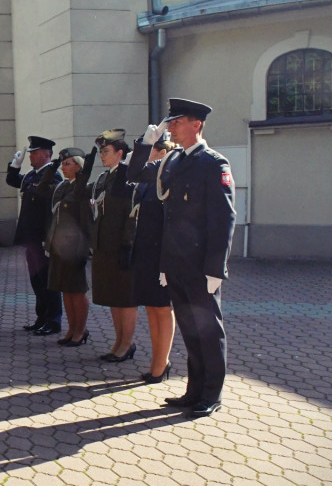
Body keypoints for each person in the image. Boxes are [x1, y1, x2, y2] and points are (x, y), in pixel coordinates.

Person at [128, 98, 236, 418]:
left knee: (208, 331)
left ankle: (211, 394)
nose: (171, 126)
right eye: (170, 121)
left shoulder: (214, 163)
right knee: (190, 328)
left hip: (201, 266)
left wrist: (216, 268)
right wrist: (145, 143)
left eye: (177, 121)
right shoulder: (172, 161)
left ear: (196, 125)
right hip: (175, 262)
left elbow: (223, 220)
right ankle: (193, 391)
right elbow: (134, 174)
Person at [130, 137, 180, 384]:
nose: (146, 158)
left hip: (162, 253)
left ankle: (162, 362)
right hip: (146, 252)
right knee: (151, 307)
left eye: (149, 151)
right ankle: (156, 361)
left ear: (161, 153)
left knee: (162, 308)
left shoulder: (168, 178)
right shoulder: (149, 181)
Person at [88, 131, 138, 363]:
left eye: (106, 151)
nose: (101, 156)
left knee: (125, 298)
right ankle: (119, 341)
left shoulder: (128, 177)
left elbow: (131, 215)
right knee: (112, 297)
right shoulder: (106, 177)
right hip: (105, 244)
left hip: (121, 245)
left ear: (120, 153)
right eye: (100, 151)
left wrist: (128, 245)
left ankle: (127, 344)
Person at [6, 136, 63, 336]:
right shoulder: (31, 175)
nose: (31, 155)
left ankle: (54, 320)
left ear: (46, 154)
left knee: (49, 281)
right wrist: (15, 165)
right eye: (30, 152)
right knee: (37, 280)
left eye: (34, 152)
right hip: (31, 238)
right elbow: (12, 180)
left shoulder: (53, 177)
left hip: (43, 238)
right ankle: (42, 317)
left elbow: (49, 209)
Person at [38, 147, 94, 347]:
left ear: (79, 166)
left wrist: (85, 249)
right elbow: (41, 191)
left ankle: (81, 330)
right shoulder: (62, 187)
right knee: (65, 290)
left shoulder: (84, 188)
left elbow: (86, 221)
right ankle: (71, 329)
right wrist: (51, 170)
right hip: (58, 245)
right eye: (62, 163)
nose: (63, 166)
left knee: (77, 291)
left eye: (67, 163)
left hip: (74, 248)